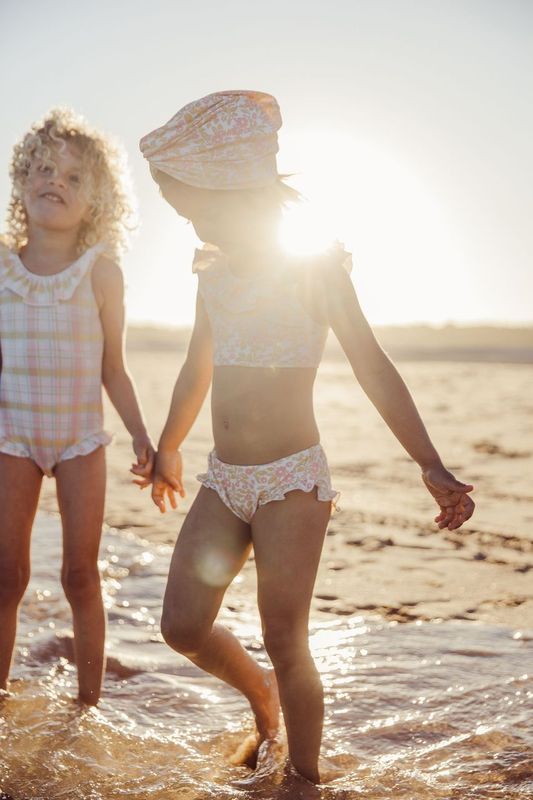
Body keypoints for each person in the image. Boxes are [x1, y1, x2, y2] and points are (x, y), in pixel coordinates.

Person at [139, 90, 474, 784]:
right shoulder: (212, 273)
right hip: (225, 479)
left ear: (229, 189)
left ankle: (305, 777)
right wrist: (169, 446)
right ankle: (256, 691)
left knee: (285, 638)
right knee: (181, 626)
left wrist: (430, 464)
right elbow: (195, 369)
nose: (189, 218)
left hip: (292, 479)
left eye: (191, 204)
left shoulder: (315, 267)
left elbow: (371, 365)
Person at [0, 108, 155, 706]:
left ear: (95, 202)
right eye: (42, 169)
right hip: (12, 435)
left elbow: (113, 367)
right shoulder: (3, 268)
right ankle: (3, 699)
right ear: (20, 183)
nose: (54, 182)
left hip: (80, 442)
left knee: (80, 576)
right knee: (6, 577)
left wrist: (141, 435)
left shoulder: (101, 274)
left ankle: (87, 706)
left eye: (72, 177)